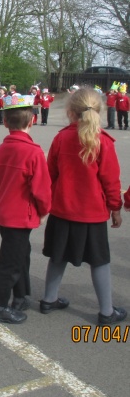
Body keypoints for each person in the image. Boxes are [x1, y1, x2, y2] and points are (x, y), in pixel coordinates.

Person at [41, 88, 126, 325]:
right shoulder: (103, 141)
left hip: (62, 209)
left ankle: (49, 299)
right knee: (99, 261)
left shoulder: (61, 138)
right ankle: (106, 311)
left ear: (70, 111)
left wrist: (46, 202)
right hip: (92, 213)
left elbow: (50, 174)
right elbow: (111, 180)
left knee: (57, 256)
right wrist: (115, 208)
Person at [0, 94, 51, 324]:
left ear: (5, 122)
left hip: (4, 211)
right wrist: (44, 210)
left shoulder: (2, 149)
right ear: (33, 120)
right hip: (20, 214)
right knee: (11, 261)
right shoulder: (33, 152)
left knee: (21, 254)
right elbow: (42, 189)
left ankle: (21, 296)